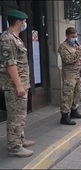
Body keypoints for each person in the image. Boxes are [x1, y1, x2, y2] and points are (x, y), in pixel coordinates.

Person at [0, 9, 35, 157]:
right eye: (24, 22)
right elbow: (10, 64)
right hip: (14, 86)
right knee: (15, 117)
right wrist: (19, 85)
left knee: (20, 115)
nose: (25, 24)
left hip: (21, 84)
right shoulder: (8, 39)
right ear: (19, 22)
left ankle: (19, 139)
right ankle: (15, 147)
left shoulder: (16, 38)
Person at [58, 27, 81, 126]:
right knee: (68, 95)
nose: (75, 38)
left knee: (77, 93)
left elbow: (79, 60)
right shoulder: (63, 47)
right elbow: (68, 60)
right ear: (67, 36)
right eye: (73, 36)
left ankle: (74, 110)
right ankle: (65, 116)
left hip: (78, 73)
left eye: (76, 36)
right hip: (69, 74)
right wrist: (79, 51)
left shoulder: (75, 45)